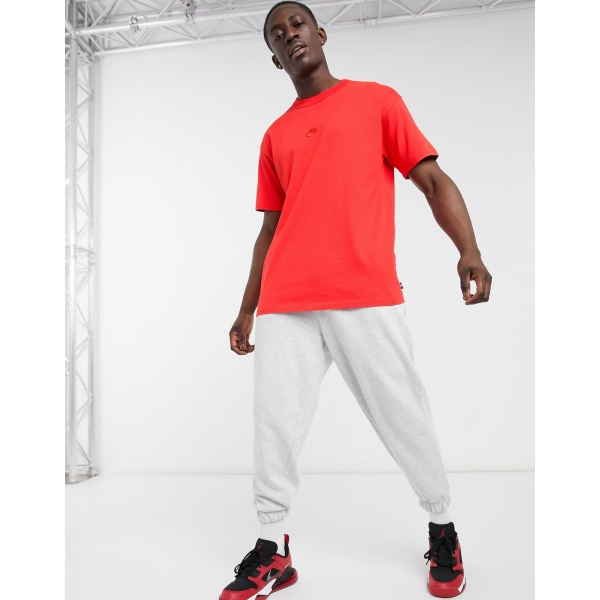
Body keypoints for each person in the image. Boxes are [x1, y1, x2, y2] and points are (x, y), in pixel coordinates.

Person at [220, 2, 491, 598]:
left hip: (363, 291)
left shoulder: (377, 101)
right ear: (274, 59)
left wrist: (468, 249)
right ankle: (273, 549)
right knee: (274, 426)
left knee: (402, 412)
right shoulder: (275, 135)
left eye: (297, 24)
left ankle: (442, 527)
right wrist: (246, 307)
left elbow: (432, 179)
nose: (289, 34)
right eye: (276, 34)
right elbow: (269, 229)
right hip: (286, 301)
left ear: (320, 33)